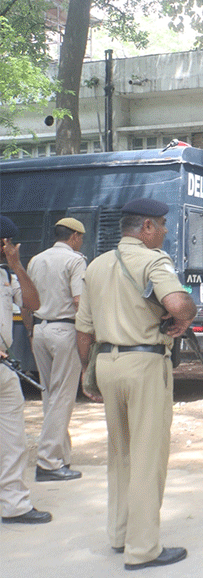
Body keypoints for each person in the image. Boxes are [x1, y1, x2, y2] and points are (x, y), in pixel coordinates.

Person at [75, 198, 196, 569]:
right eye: (160, 224)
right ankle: (143, 549)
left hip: (107, 364)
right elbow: (176, 303)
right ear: (145, 227)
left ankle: (120, 533)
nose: (164, 230)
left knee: (120, 454)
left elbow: (84, 329)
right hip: (143, 365)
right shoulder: (153, 260)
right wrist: (186, 317)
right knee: (147, 457)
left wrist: (88, 373)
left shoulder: (96, 266)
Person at [26, 217, 87, 482]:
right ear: (74, 236)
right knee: (62, 397)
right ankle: (49, 463)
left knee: (50, 396)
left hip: (40, 330)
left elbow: (28, 302)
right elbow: (79, 301)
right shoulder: (75, 260)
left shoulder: (36, 260)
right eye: (80, 237)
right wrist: (89, 337)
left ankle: (61, 456)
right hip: (65, 331)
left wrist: (31, 332)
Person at [0, 216, 51, 525]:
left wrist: (17, 266)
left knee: (13, 441)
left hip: (4, 370)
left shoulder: (8, 275)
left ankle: (14, 504)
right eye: (10, 244)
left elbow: (33, 302)